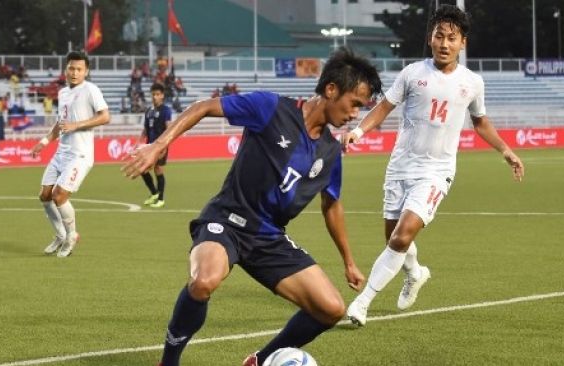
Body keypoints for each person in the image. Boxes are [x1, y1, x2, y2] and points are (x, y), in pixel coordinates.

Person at [121, 49, 381, 366]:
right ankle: (169, 362)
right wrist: (158, 145)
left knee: (331, 308)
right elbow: (204, 107)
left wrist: (349, 261)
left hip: (269, 237)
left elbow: (332, 206)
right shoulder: (270, 108)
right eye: (354, 103)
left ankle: (261, 360)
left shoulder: (330, 151)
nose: (356, 114)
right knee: (204, 280)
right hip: (227, 221)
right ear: (331, 90)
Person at [341, 5, 525, 326]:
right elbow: (383, 108)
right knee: (395, 240)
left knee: (401, 237)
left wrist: (506, 151)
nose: (444, 43)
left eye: (451, 38)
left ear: (462, 43)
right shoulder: (413, 74)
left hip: (436, 173)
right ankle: (415, 272)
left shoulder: (472, 82)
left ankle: (362, 302)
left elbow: (480, 123)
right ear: (430, 38)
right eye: (439, 36)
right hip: (400, 168)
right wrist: (357, 131)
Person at [29, 51, 110, 257]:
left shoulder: (90, 90)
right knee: (44, 195)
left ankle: (72, 235)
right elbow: (60, 122)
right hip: (61, 153)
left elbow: (105, 116)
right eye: (71, 68)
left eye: (79, 69)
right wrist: (44, 141)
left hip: (80, 155)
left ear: (86, 71)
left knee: (59, 195)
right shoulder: (63, 92)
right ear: (66, 69)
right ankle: (60, 235)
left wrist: (77, 125)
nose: (74, 73)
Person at [140, 83, 172, 208]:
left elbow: (169, 128)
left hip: (160, 145)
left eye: (157, 94)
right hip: (150, 145)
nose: (155, 97)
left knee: (158, 169)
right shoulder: (149, 111)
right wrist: (139, 141)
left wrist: (164, 145)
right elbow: (145, 129)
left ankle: (161, 199)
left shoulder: (166, 110)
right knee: (143, 169)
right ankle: (154, 193)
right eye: (153, 94)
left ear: (162, 96)